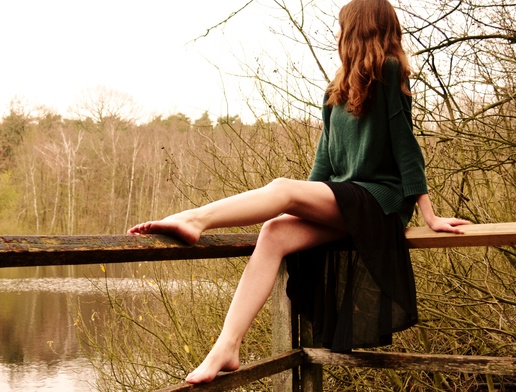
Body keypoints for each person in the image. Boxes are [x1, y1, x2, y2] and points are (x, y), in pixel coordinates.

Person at [127, 0, 470, 384]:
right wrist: (302, 204)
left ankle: (195, 218)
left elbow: (407, 147)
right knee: (274, 230)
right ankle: (227, 347)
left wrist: (429, 214)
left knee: (281, 189)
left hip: (380, 200)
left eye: (342, 27)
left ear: (360, 28)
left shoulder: (390, 73)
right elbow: (323, 166)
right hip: (344, 198)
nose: (337, 35)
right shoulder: (335, 91)